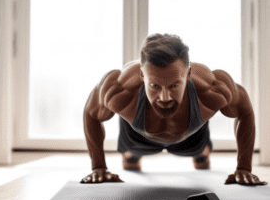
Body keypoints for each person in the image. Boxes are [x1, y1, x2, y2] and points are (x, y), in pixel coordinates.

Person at [81, 33, 267, 186]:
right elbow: (91, 114)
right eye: (154, 85)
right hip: (137, 138)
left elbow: (245, 111)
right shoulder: (119, 89)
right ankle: (132, 155)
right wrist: (99, 167)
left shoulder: (212, 88)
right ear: (141, 75)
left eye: (174, 86)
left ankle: (201, 151)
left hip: (191, 138)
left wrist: (244, 168)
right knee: (130, 160)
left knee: (200, 155)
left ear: (188, 75)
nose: (165, 98)